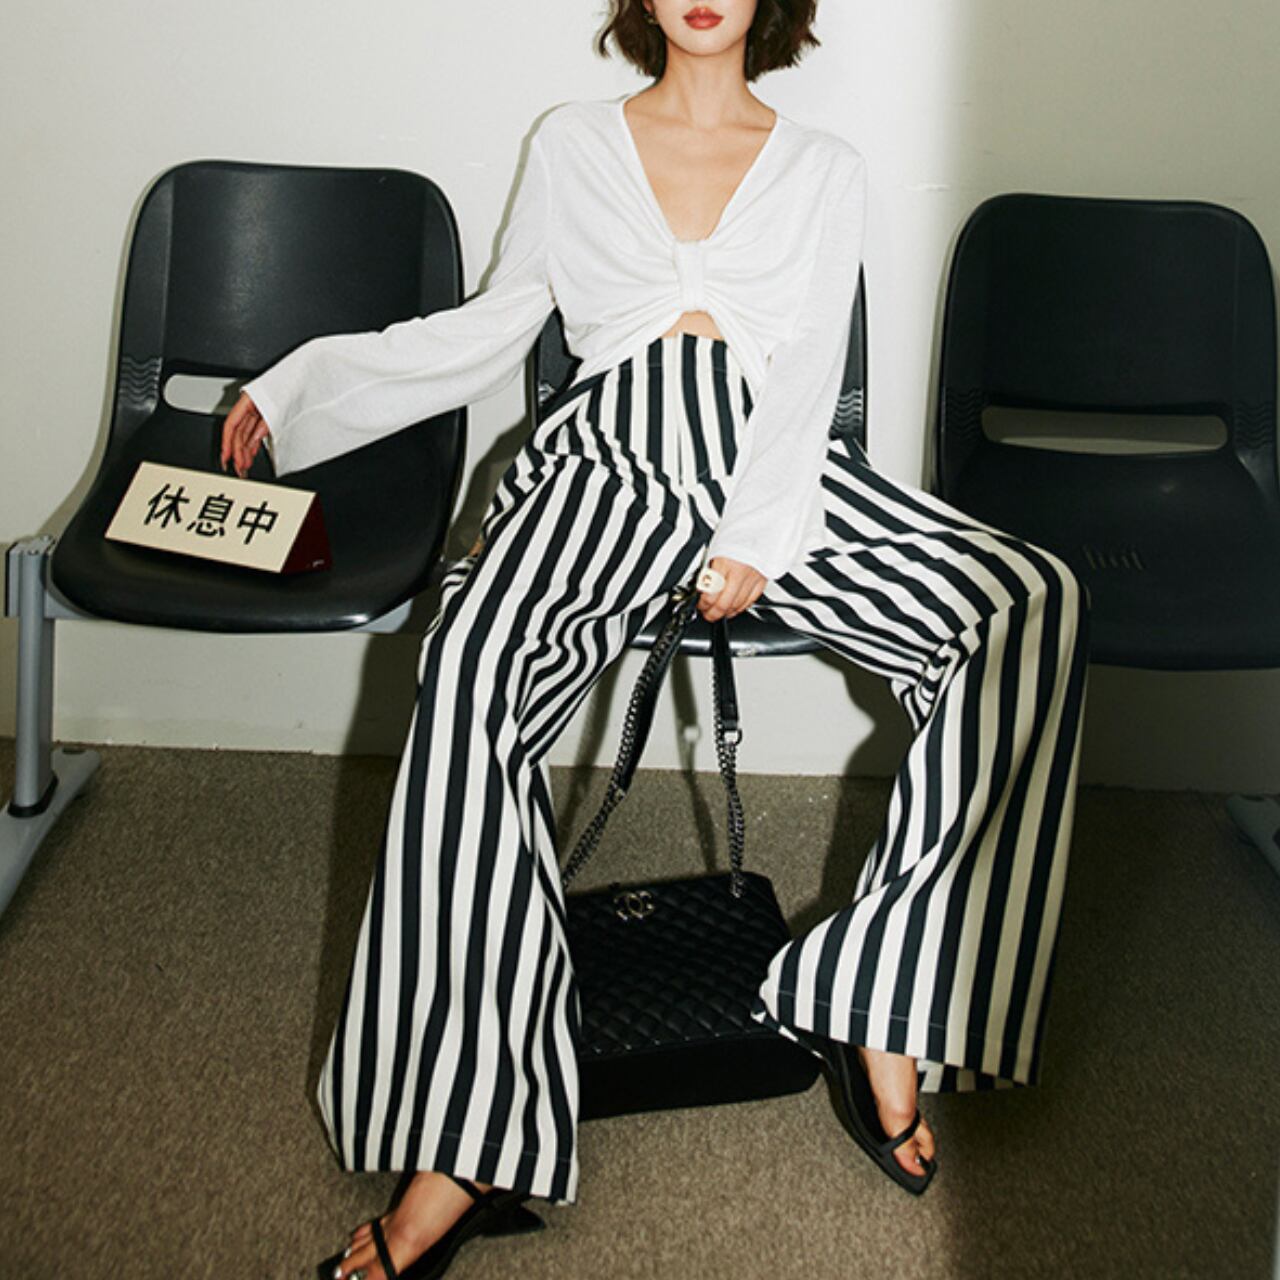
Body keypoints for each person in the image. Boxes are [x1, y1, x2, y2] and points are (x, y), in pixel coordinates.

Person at [222, 1, 1090, 1276]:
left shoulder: (822, 165)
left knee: (1022, 602)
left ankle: (880, 996)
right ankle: (467, 1135)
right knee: (468, 669)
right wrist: (295, 384)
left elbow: (808, 365)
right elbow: (493, 322)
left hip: (774, 461)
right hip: (604, 458)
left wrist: (757, 531)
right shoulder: (573, 140)